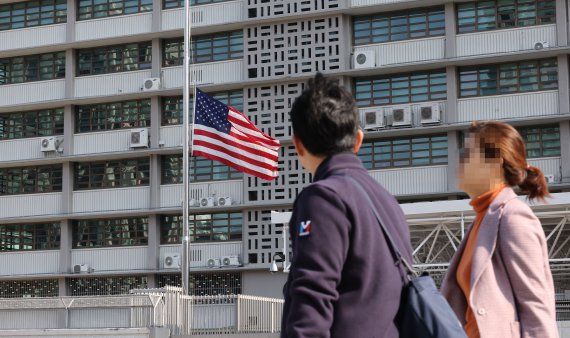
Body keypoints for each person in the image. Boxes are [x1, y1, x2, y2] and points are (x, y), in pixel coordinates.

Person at [281, 73, 413, 338]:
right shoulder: (387, 202)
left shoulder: (323, 198)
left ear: (297, 145)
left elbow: (313, 296)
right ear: (358, 140)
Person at [441, 121, 558, 338]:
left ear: (494, 162)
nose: (460, 160)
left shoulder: (513, 217)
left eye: (468, 153)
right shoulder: (482, 219)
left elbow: (536, 306)